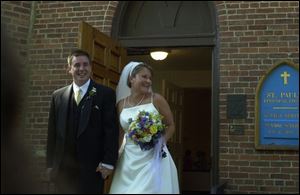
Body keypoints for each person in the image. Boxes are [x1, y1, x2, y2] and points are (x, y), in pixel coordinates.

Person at [46, 49, 119, 194]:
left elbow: (111, 131)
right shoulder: (58, 96)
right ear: (69, 69)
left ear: (91, 68)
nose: (81, 69)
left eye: (85, 65)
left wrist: (108, 162)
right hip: (63, 169)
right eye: (77, 65)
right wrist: (50, 164)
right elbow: (52, 132)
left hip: (93, 168)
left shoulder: (105, 94)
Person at [109, 62, 179, 193]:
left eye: (150, 78)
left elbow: (171, 125)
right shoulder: (121, 104)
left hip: (154, 157)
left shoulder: (156, 99)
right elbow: (120, 134)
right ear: (131, 78)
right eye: (144, 77)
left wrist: (161, 142)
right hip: (128, 161)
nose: (148, 81)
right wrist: (114, 157)